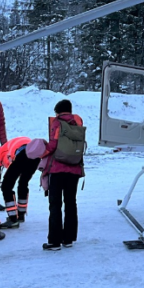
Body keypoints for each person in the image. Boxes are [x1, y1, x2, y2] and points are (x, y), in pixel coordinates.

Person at [41, 99, 85, 251]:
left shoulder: (57, 123)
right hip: (74, 169)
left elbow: (53, 145)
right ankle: (68, 239)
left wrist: (41, 152)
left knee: (55, 205)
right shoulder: (77, 123)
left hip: (58, 169)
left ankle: (54, 241)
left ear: (58, 111)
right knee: (71, 203)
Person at [0, 136, 42, 229]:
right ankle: (21, 215)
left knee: (6, 187)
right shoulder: (8, 147)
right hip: (35, 155)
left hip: (22, 154)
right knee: (23, 184)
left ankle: (13, 219)